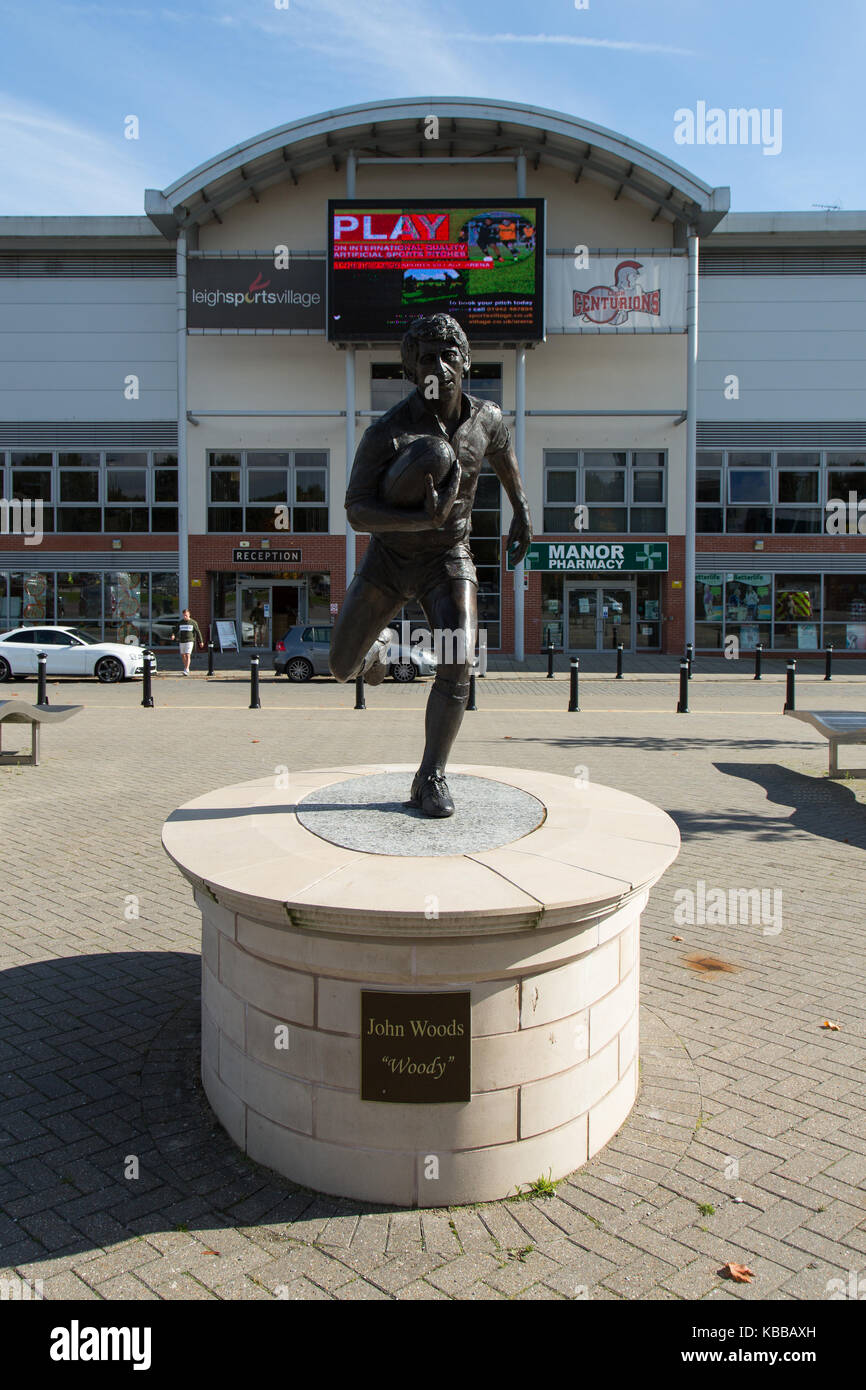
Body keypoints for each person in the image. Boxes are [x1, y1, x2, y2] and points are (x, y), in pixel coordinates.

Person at [330, 312, 532, 818]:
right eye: (426, 358)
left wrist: (523, 510)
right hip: (390, 560)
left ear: (466, 361)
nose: (438, 366)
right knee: (338, 667)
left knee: (460, 655)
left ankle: (430, 775)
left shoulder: (487, 417)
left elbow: (503, 455)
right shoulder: (387, 432)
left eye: (448, 355)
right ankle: (376, 647)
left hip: (448, 557)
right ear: (410, 370)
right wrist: (418, 518)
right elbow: (355, 510)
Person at [171, 608, 204, 675]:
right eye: (184, 615)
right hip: (182, 641)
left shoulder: (193, 622)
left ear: (189, 615)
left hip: (190, 641)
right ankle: (185, 667)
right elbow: (175, 630)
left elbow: (198, 632)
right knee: (183, 655)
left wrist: (201, 641)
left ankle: (186, 669)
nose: (185, 617)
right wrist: (173, 635)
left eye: (186, 615)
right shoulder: (180, 622)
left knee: (188, 654)